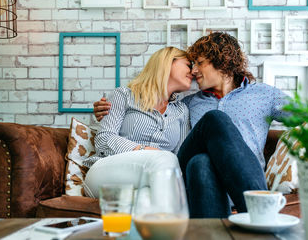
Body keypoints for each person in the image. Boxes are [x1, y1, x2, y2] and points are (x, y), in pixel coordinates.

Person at [94, 32, 289, 218]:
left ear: (222, 61)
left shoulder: (264, 95)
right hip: (181, 179)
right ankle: (262, 213)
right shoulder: (189, 103)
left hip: (221, 183)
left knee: (201, 161)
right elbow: (110, 135)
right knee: (214, 120)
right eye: (190, 65)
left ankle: (214, 230)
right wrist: (103, 110)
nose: (194, 71)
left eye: (200, 63)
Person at [83, 47, 192, 198]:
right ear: (168, 62)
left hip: (152, 179)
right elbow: (104, 139)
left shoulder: (182, 111)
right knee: (167, 159)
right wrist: (145, 150)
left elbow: (181, 157)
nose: (192, 72)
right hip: (108, 171)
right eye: (188, 65)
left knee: (146, 200)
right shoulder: (124, 95)